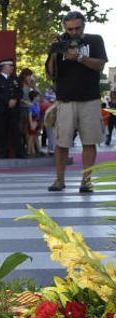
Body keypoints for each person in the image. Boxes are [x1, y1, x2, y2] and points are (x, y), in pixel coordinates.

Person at [45, 10, 108, 193]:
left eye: (77, 28)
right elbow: (50, 74)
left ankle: (86, 182)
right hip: (65, 100)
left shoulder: (95, 40)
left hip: (90, 99)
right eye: (70, 29)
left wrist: (79, 57)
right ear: (64, 27)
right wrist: (55, 53)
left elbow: (100, 65)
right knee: (61, 143)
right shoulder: (58, 43)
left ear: (84, 26)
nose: (73, 32)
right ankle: (59, 180)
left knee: (89, 142)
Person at [0, 58, 23, 159]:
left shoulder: (15, 79)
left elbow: (19, 92)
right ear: (4, 67)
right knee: (3, 132)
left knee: (16, 131)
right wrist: (8, 100)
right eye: (10, 66)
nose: (12, 68)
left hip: (14, 110)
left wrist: (15, 99)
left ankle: (19, 153)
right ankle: (4, 153)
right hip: (3, 110)